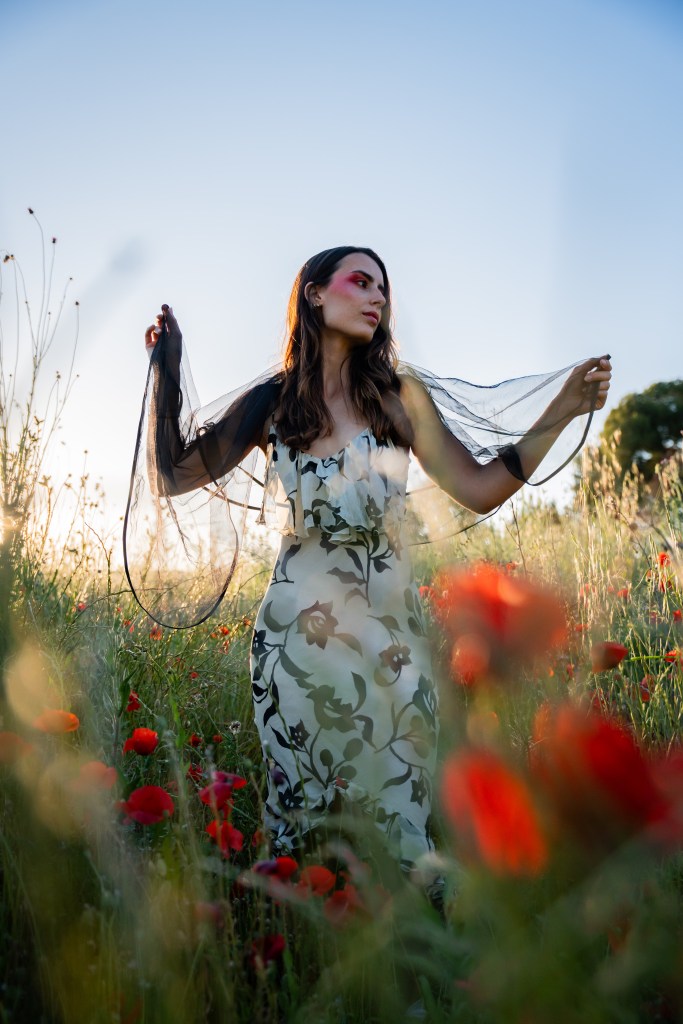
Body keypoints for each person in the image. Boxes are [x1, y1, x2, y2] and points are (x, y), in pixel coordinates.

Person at [136, 245, 611, 869]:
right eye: (361, 282)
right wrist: (166, 370)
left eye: (382, 289)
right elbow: (172, 475)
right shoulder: (271, 405)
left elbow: (479, 489)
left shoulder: (396, 399)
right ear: (314, 293)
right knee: (301, 833)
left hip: (390, 640)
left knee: (401, 827)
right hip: (293, 646)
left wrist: (562, 411)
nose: (377, 298)